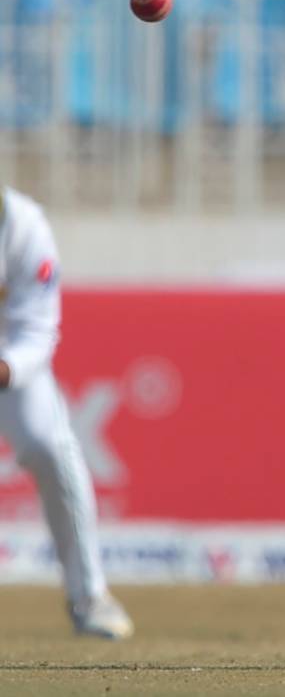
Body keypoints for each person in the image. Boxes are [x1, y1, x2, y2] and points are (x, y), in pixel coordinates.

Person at [0, 187, 134, 639]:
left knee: (52, 446)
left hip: (7, 358)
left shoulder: (22, 225)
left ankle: (90, 597)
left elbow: (38, 331)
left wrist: (6, 369)